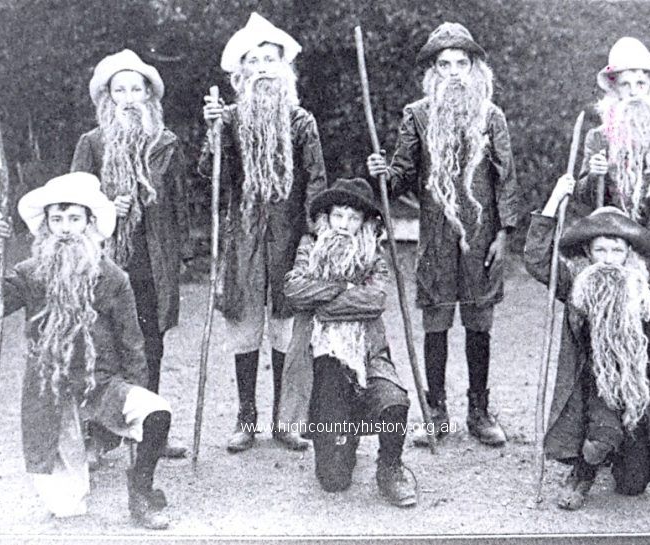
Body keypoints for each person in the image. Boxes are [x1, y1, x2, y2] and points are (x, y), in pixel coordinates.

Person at [0, 173, 174, 529]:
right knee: (68, 508)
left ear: (90, 223)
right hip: (51, 392)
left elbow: (132, 344)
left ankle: (141, 493)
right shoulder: (31, 274)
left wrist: (132, 398)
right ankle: (74, 463)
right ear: (46, 225)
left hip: (101, 385)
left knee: (156, 413)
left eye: (74, 219)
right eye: (57, 219)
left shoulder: (112, 277)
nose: (65, 229)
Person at [366, 22, 520, 447]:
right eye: (444, 64)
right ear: (433, 70)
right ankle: (436, 412)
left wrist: (504, 233)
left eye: (461, 63)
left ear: (474, 68)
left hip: (481, 234)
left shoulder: (491, 116)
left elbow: (506, 179)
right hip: (435, 235)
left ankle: (479, 411)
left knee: (478, 320)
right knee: (436, 319)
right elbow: (401, 175)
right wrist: (382, 173)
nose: (453, 72)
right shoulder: (416, 115)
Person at [199, 12, 327, 452]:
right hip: (244, 239)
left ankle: (284, 420)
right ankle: (246, 418)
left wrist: (313, 236)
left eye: (270, 60)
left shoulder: (301, 121)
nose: (263, 69)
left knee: (286, 328)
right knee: (245, 326)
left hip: (289, 238)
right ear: (241, 73)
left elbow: (317, 183)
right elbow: (209, 175)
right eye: (253, 61)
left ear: (284, 67)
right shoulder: (230, 120)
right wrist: (214, 134)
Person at [524, 174, 650, 511]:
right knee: (600, 437)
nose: (608, 259)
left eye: (617, 250)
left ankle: (616, 450)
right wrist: (554, 200)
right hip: (592, 383)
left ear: (629, 253)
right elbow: (536, 260)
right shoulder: (578, 285)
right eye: (601, 250)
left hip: (635, 389)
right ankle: (582, 473)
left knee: (633, 486)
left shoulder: (644, 296)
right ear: (588, 252)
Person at [71, 49, 191, 458]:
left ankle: (148, 431)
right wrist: (107, 206)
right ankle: (99, 433)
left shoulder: (166, 144)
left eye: (135, 90)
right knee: (103, 346)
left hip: (153, 264)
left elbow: (180, 203)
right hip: (105, 265)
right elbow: (73, 203)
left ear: (149, 96)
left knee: (149, 346)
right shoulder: (92, 143)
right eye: (119, 90)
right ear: (107, 98)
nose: (128, 98)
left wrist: (182, 253)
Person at [281, 177, 416, 507]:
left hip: (367, 354)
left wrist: (323, 303)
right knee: (334, 480)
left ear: (364, 223)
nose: (344, 225)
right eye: (338, 215)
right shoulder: (309, 246)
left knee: (394, 401)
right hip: (322, 355)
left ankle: (390, 468)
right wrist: (345, 288)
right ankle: (345, 437)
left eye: (353, 218)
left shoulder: (373, 254)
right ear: (327, 217)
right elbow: (294, 291)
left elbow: (375, 300)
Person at [574, 37, 650, 298]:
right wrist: (594, 174)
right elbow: (582, 197)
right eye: (626, 84)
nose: (634, 92)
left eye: (640, 84)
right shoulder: (599, 138)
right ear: (615, 89)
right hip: (614, 249)